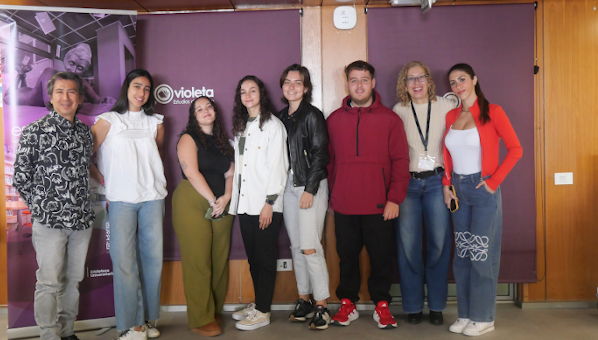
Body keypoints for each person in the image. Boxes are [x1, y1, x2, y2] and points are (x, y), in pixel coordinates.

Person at [326, 60, 410, 329]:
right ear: (347, 83)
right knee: (346, 256)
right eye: (354, 80)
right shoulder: (333, 120)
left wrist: (394, 198)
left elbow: (400, 161)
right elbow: (328, 163)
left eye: (364, 80)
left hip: (380, 205)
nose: (359, 85)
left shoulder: (390, 119)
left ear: (373, 83)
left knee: (381, 257)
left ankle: (382, 305)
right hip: (344, 203)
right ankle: (347, 303)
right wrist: (332, 195)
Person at [13, 71, 95, 340]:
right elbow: (21, 177)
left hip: (81, 220)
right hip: (50, 222)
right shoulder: (35, 131)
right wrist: (41, 210)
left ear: (80, 98)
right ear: (50, 98)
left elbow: (86, 171)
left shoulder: (85, 133)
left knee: (73, 281)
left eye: (71, 92)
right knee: (48, 283)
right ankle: (49, 335)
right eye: (59, 92)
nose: (65, 97)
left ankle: (67, 331)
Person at [443, 63, 522, 336]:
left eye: (462, 79)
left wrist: (493, 182)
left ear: (474, 79)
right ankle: (466, 314)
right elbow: (448, 156)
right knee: (462, 256)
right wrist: (446, 185)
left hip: (482, 190)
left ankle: (484, 316)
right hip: (458, 191)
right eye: (452, 83)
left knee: (481, 255)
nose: (458, 86)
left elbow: (516, 149)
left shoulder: (493, 112)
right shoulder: (451, 115)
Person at [91, 69, 167, 340]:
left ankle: (146, 321)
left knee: (152, 261)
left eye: (147, 89)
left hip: (153, 198)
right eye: (137, 86)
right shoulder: (108, 120)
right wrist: (104, 180)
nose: (141, 93)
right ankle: (129, 325)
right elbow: (87, 154)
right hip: (121, 199)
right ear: (127, 88)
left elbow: (155, 154)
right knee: (124, 262)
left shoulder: (156, 122)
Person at [392, 61, 456, 326]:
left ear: (430, 81)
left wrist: (449, 184)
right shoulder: (399, 110)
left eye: (421, 77)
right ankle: (413, 305)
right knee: (408, 247)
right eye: (410, 79)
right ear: (404, 84)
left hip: (437, 182)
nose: (416, 83)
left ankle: (438, 305)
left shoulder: (447, 106)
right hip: (408, 184)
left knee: (439, 245)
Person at [228, 75, 288, 331]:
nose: (248, 95)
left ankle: (263, 312)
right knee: (253, 257)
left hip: (265, 204)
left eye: (253, 90)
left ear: (261, 94)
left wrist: (270, 203)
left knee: (264, 257)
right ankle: (259, 303)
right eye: (243, 91)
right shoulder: (242, 125)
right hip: (244, 203)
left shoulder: (273, 125)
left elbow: (278, 166)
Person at [172, 96, 235, 337]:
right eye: (199, 109)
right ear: (193, 116)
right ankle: (200, 318)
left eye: (208, 106)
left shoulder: (222, 142)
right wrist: (212, 200)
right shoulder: (188, 138)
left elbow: (231, 172)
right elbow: (192, 172)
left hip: (222, 202)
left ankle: (213, 311)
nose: (205, 111)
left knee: (219, 260)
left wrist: (226, 197)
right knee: (197, 260)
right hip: (194, 200)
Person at [277, 64, 331, 330]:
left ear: (306, 87)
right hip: (287, 187)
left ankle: (322, 306)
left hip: (310, 186)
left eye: (297, 83)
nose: (292, 87)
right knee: (297, 246)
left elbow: (321, 154)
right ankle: (304, 299)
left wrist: (310, 189)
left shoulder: (313, 115)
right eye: (287, 82)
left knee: (310, 246)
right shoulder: (279, 117)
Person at [4, 43, 114, 106]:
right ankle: (20, 74)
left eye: (79, 68)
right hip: (22, 95)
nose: (73, 70)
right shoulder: (50, 72)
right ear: (66, 61)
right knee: (5, 97)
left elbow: (97, 100)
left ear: (84, 71)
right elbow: (50, 103)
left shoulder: (82, 82)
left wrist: (106, 101)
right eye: (72, 63)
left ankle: (22, 74)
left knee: (24, 87)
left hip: (28, 90)